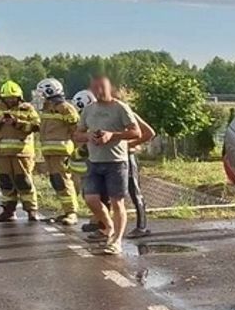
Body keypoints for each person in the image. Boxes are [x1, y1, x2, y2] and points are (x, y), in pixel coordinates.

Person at [75, 76, 141, 255]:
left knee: (117, 202)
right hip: (94, 161)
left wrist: (112, 135)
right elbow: (77, 134)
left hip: (116, 162)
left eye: (102, 87)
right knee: (91, 199)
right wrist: (89, 136)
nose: (99, 91)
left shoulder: (120, 108)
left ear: (110, 88)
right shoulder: (88, 110)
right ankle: (109, 226)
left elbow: (136, 132)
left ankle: (117, 240)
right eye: (95, 88)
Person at [0, 80, 41, 222]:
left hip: (22, 154)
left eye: (13, 97)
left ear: (19, 97)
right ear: (2, 97)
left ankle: (31, 210)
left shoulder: (27, 108)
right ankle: (8, 211)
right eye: (7, 98)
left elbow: (36, 126)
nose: (10, 100)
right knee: (6, 183)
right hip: (4, 154)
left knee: (24, 182)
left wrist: (17, 123)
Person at [35, 77, 80, 225]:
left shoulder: (66, 108)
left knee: (64, 181)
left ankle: (72, 212)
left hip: (61, 152)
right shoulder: (48, 109)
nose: (40, 97)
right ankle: (65, 210)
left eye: (42, 93)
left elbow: (76, 130)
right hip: (50, 153)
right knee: (57, 182)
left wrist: (78, 150)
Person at [123, 99, 156, 239]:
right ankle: (104, 227)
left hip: (127, 157)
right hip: (108, 158)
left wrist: (131, 144)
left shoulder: (130, 114)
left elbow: (149, 133)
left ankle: (141, 226)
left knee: (134, 189)